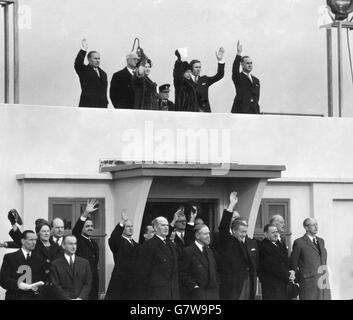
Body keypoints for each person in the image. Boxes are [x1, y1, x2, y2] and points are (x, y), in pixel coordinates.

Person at [218, 191, 258, 300]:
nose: (244, 234)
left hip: (249, 281)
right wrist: (231, 205)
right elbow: (223, 227)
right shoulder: (228, 241)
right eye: (241, 232)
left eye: (245, 231)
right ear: (234, 231)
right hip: (233, 284)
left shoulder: (251, 242)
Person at [136, 216, 179, 300]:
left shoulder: (172, 245)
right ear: (155, 228)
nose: (166, 227)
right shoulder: (149, 245)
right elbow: (143, 272)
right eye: (163, 225)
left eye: (167, 225)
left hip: (173, 293)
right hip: (156, 294)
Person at [290, 218, 331, 300]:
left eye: (316, 224)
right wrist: (301, 277)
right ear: (306, 228)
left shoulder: (321, 241)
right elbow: (293, 262)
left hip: (323, 281)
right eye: (313, 225)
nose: (316, 227)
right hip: (309, 282)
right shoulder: (299, 242)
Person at [0, 230, 46, 300]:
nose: (34, 242)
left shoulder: (39, 259)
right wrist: (18, 284)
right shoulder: (10, 257)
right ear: (23, 241)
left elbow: (43, 279)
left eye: (35, 240)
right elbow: (3, 280)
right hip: (15, 296)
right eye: (31, 240)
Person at [179, 224, 220, 300]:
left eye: (208, 233)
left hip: (212, 293)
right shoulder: (188, 251)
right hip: (197, 294)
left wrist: (216, 282)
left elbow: (214, 270)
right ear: (197, 236)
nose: (208, 236)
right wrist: (194, 286)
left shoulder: (210, 251)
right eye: (205, 234)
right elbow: (181, 272)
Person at [105, 210, 139, 300]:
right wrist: (122, 222)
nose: (131, 228)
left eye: (132, 226)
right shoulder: (117, 242)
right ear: (122, 228)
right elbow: (114, 237)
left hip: (133, 284)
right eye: (128, 226)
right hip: (120, 283)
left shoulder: (136, 245)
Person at [72, 199, 100, 300]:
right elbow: (76, 230)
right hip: (81, 282)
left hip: (93, 281)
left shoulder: (95, 244)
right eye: (87, 226)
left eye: (92, 226)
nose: (90, 228)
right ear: (82, 228)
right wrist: (86, 213)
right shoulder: (78, 239)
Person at [259, 224, 295, 300]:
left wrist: (292, 271)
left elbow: (286, 260)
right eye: (273, 232)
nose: (276, 234)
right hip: (272, 286)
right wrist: (289, 275)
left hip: (283, 284)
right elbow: (274, 266)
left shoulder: (279, 244)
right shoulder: (264, 247)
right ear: (266, 234)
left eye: (276, 232)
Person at [51, 235, 92, 300]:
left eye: (75, 244)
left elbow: (88, 283)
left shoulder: (85, 263)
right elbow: (56, 285)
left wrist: (80, 298)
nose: (73, 247)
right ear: (63, 245)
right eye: (70, 244)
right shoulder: (56, 264)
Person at [74, 38, 108, 108]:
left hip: (102, 107)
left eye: (99, 58)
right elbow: (78, 64)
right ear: (89, 60)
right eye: (95, 58)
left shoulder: (103, 74)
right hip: (88, 106)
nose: (98, 61)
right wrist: (84, 49)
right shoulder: (84, 70)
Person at [189, 47, 225, 112]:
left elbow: (219, 75)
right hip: (192, 113)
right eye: (196, 67)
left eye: (200, 67)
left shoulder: (204, 80)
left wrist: (220, 60)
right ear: (191, 68)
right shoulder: (186, 81)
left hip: (205, 113)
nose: (198, 69)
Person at [231, 41, 260, 114]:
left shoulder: (256, 80)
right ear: (242, 64)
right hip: (240, 111)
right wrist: (238, 54)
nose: (250, 65)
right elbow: (235, 70)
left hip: (254, 112)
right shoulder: (238, 77)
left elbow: (257, 97)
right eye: (247, 63)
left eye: (251, 63)